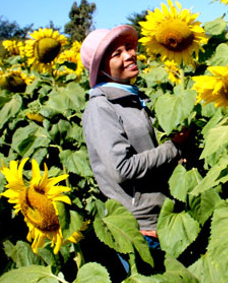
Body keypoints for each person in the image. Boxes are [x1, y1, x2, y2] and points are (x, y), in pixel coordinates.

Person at [80, 24, 188, 246]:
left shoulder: (138, 99)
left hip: (168, 214)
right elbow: (122, 169)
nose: (130, 55)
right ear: (101, 67)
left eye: (128, 48)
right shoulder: (102, 107)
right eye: (117, 53)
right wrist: (174, 148)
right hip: (143, 227)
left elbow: (150, 150)